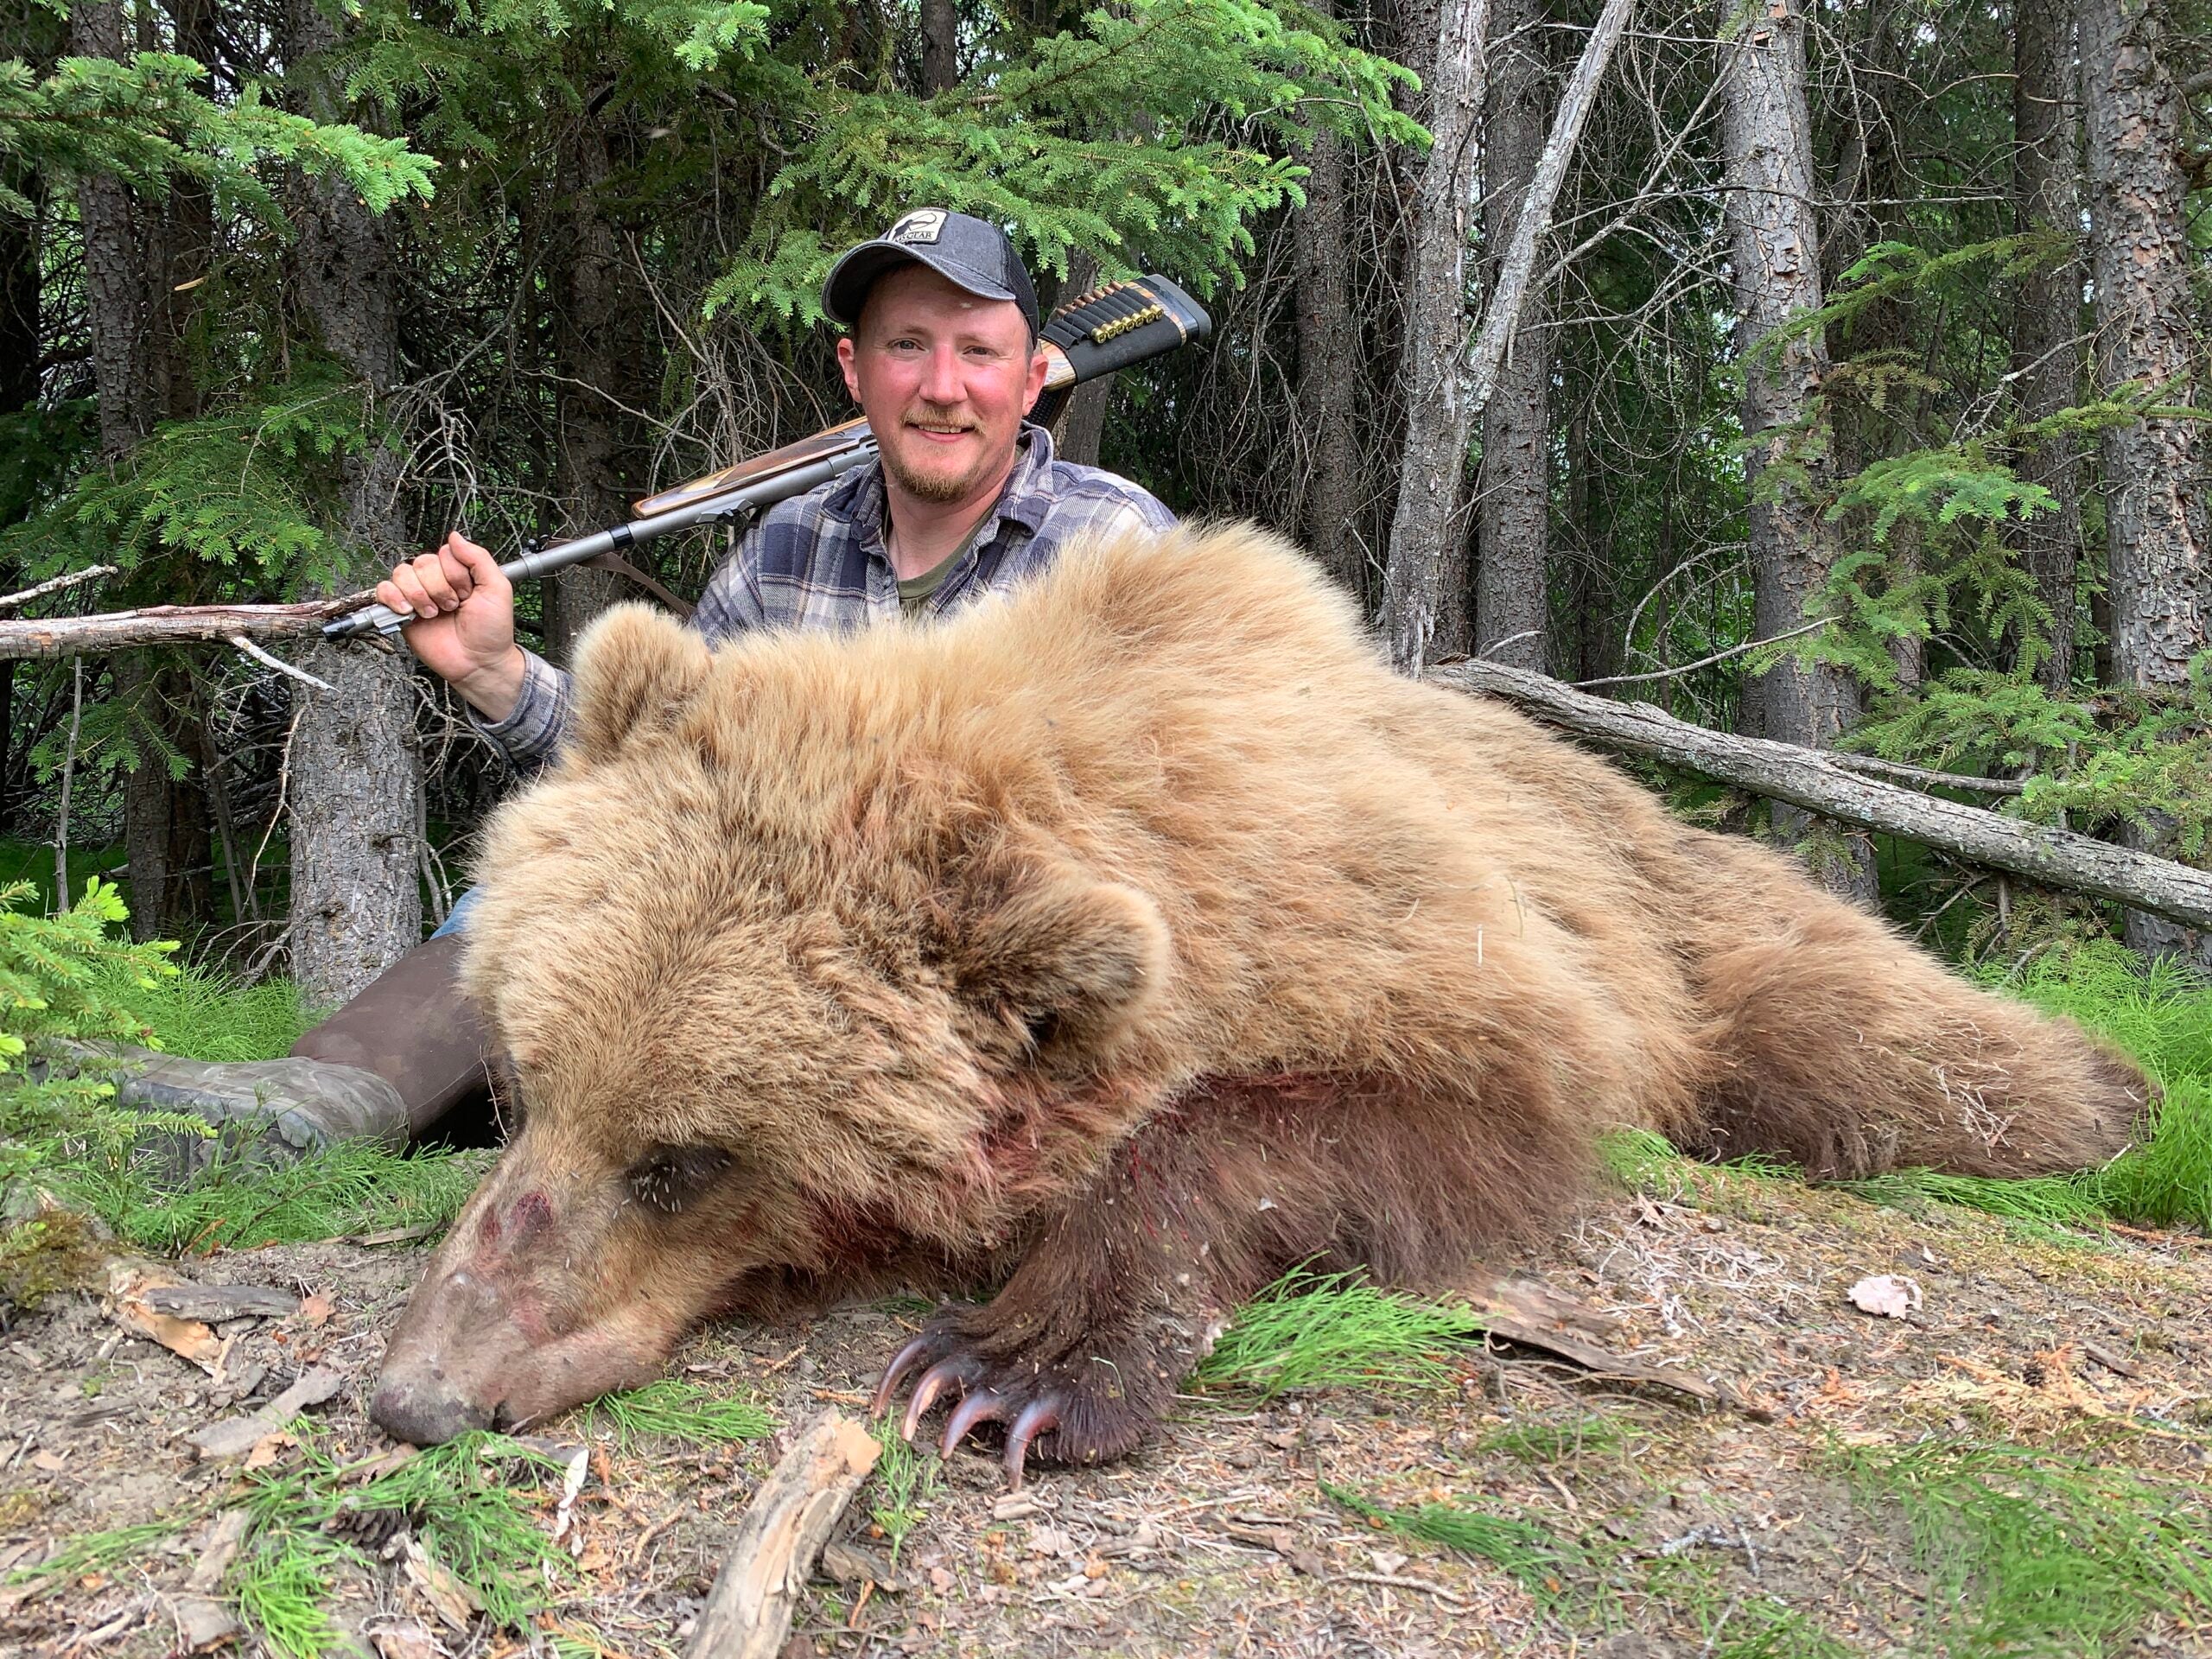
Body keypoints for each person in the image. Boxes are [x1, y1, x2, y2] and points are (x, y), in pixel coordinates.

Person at [115, 210, 1174, 1157]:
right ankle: (317, 1101)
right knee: (569, 866)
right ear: (856, 372)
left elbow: (1157, 835)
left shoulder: (1112, 546)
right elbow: (657, 773)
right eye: (907, 346)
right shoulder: (789, 548)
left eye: (975, 352)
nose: (941, 386)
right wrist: (495, 670)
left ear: (1031, 378)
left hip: (951, 954)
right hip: (765, 926)